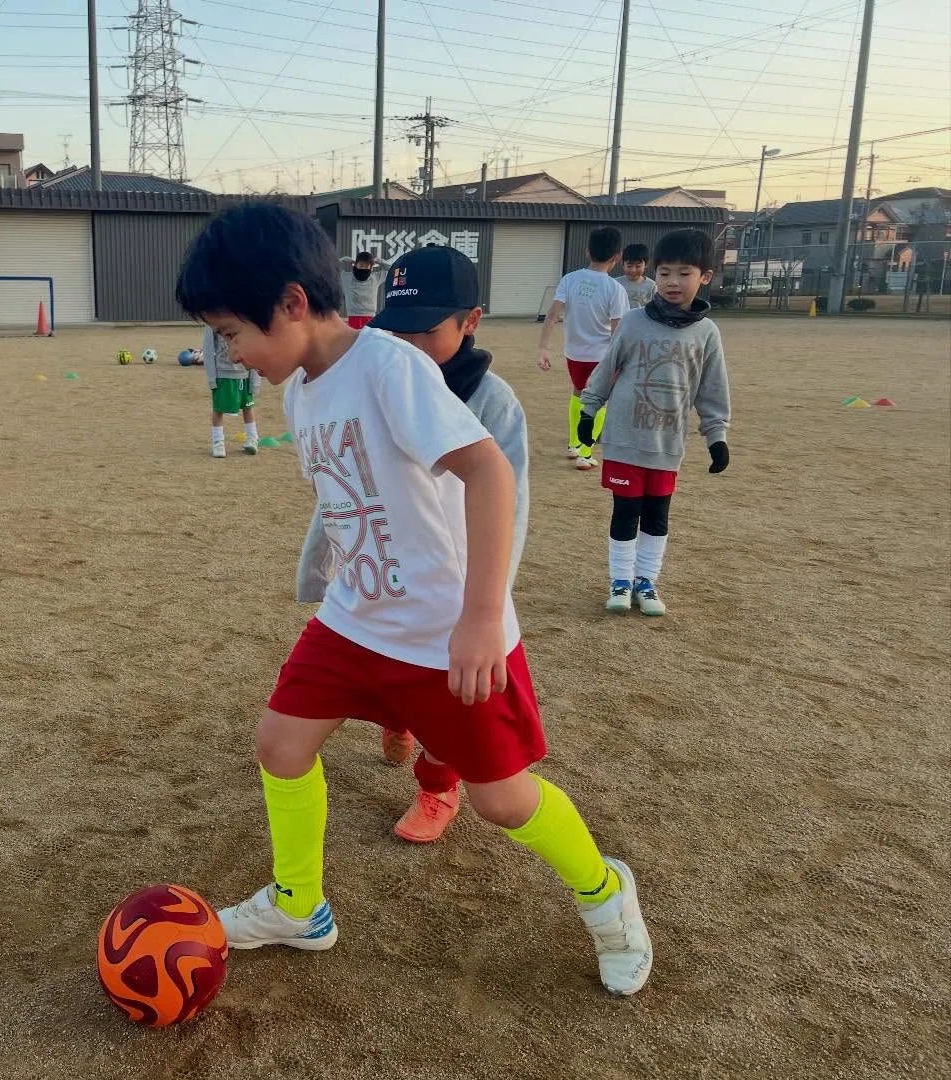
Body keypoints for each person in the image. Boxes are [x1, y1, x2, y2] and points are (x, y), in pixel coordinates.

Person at [176, 202, 652, 997]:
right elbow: (347, 505)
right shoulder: (300, 391)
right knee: (280, 745)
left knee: (503, 801)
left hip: (444, 635)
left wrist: (477, 619)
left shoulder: (390, 367)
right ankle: (300, 905)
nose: (228, 352)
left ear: (292, 303)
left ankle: (606, 892)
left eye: (231, 332)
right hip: (355, 620)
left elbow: (489, 473)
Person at [296, 244, 530, 844]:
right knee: (384, 670)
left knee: (448, 700)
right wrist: (318, 564)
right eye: (396, 328)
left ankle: (437, 786)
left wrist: (488, 604)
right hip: (383, 584)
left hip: (449, 595)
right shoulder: (371, 374)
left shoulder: (490, 398)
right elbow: (347, 489)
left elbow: (507, 493)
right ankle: (396, 719)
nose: (410, 344)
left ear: (471, 321)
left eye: (427, 330)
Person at [577, 228, 731, 617]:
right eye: (664, 273)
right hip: (626, 438)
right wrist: (588, 410)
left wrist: (717, 436)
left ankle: (647, 581)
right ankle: (620, 581)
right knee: (625, 511)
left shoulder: (707, 333)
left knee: (657, 514)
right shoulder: (632, 322)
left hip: (667, 443)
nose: (672, 282)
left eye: (683, 273)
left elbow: (711, 389)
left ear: (705, 277)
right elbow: (606, 370)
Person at [537, 226, 628, 470]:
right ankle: (585, 453)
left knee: (578, 393)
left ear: (588, 252)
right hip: (603, 356)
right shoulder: (615, 289)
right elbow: (619, 329)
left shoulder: (570, 279)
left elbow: (552, 314)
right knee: (598, 402)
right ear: (617, 257)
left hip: (574, 353)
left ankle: (574, 444)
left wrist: (543, 349)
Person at [202, 324, 261, 458]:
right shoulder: (212, 321)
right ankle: (218, 442)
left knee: (248, 407)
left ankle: (252, 438)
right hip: (222, 374)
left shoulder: (246, 318)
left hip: (245, 373)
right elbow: (208, 349)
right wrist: (212, 378)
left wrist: (255, 380)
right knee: (218, 409)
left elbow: (255, 347)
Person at [338, 251, 390, 329]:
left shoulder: (375, 278)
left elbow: (393, 270)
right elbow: (330, 269)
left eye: (366, 266)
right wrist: (341, 261)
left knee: (369, 340)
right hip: (353, 318)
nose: (363, 268)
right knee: (355, 340)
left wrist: (381, 262)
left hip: (371, 318)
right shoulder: (347, 277)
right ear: (355, 265)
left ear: (371, 268)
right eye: (361, 265)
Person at [615, 243, 656, 309]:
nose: (633, 270)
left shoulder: (651, 286)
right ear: (622, 264)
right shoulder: (616, 283)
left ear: (646, 264)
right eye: (629, 266)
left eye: (638, 266)